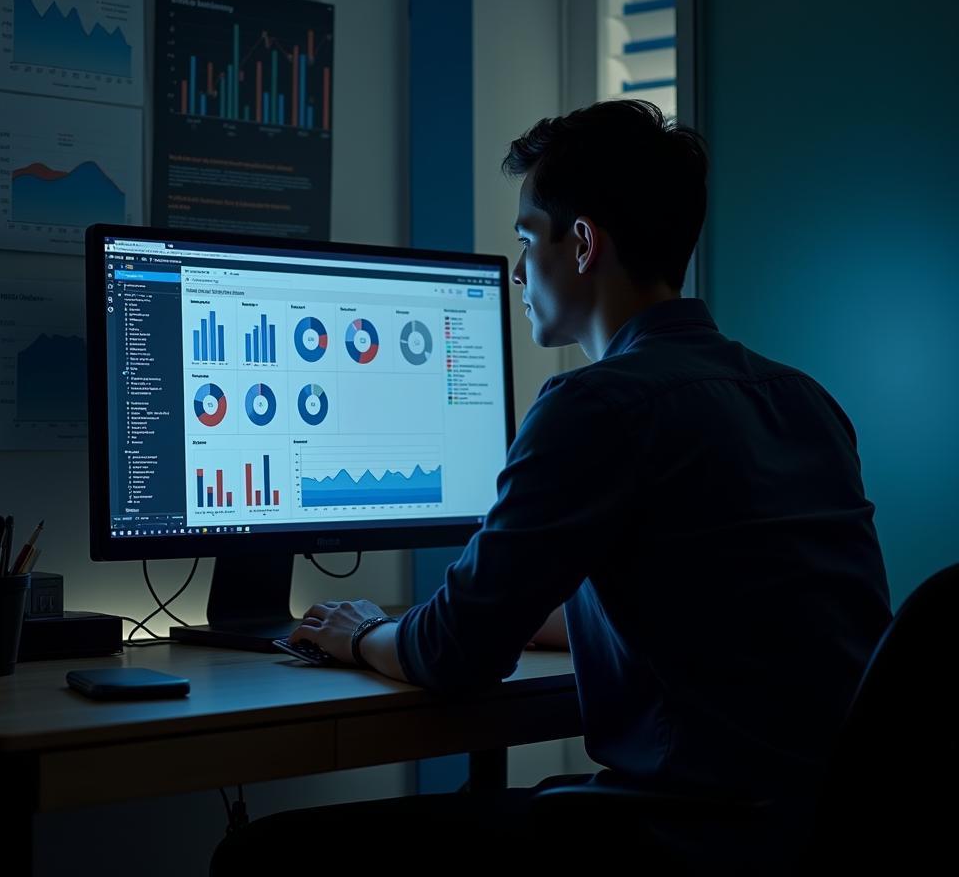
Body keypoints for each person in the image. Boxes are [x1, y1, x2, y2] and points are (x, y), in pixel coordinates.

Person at [211, 100, 891, 873]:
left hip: (692, 837)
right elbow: (738, 603)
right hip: (829, 832)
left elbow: (452, 654)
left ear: (580, 244)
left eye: (526, 239)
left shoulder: (597, 405)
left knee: (261, 858)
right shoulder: (803, 398)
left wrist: (357, 634)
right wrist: (550, 618)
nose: (517, 270)